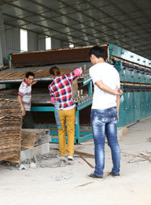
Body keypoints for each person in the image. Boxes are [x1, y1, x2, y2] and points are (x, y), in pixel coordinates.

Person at [88, 45, 123, 179]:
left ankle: (98, 172)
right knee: (114, 143)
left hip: (99, 111)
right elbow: (118, 93)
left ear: (93, 56)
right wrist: (117, 111)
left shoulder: (94, 69)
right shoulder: (114, 70)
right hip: (112, 110)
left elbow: (100, 85)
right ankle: (116, 170)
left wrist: (113, 91)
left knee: (99, 144)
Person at [48, 66, 83, 161]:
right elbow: (77, 72)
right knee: (71, 131)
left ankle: (62, 154)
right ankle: (70, 154)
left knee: (61, 131)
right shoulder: (67, 77)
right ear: (59, 72)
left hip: (60, 110)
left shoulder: (51, 86)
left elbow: (52, 100)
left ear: (51, 75)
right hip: (70, 108)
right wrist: (79, 69)